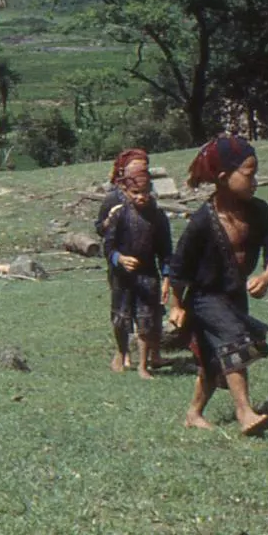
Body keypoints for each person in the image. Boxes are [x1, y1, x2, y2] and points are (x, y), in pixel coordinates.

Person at [166, 135, 268, 435]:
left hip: (235, 296)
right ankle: (244, 411)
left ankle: (193, 414)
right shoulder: (202, 222)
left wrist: (267, 276)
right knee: (235, 340)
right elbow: (179, 268)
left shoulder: (260, 212)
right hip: (205, 298)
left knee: (212, 361)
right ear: (223, 177)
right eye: (249, 174)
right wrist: (176, 305)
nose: (255, 181)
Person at [100, 161, 172, 378]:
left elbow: (166, 250)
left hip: (148, 275)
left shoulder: (158, 217)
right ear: (125, 191)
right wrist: (119, 259)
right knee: (121, 318)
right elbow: (108, 245)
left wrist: (167, 278)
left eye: (145, 192)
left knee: (146, 319)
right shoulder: (119, 215)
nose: (141, 197)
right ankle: (122, 353)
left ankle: (143, 365)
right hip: (122, 277)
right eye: (136, 192)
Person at [96, 148, 149, 372]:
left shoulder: (147, 198)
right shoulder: (113, 199)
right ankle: (124, 353)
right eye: (136, 168)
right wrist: (109, 222)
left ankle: (151, 356)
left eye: (144, 167)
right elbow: (100, 229)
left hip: (145, 268)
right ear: (124, 172)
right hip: (119, 264)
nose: (140, 171)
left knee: (148, 311)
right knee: (122, 310)